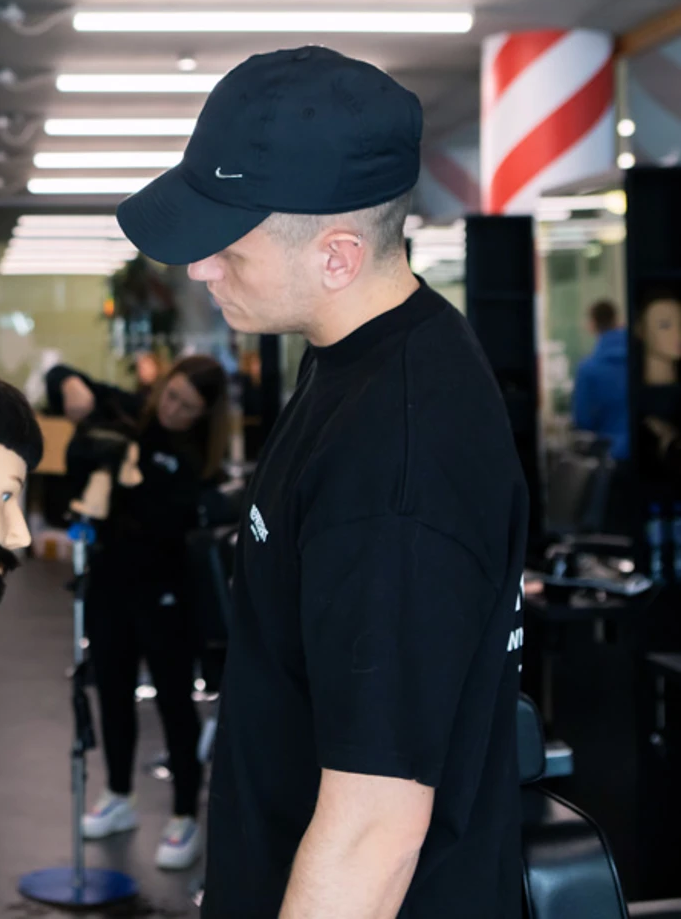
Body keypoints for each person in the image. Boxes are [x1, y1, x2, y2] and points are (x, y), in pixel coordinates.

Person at [118, 46, 527, 918]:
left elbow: (371, 833)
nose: (201, 267)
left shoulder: (401, 466)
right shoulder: (350, 362)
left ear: (337, 255)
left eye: (228, 245)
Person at [80, 355, 231, 870]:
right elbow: (71, 388)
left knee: (173, 703)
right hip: (109, 588)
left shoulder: (197, 466)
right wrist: (74, 387)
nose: (173, 410)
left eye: (187, 407)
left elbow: (167, 518)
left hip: (167, 598)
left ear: (203, 416)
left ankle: (186, 814)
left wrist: (134, 482)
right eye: (171, 396)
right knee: (114, 694)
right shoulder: (129, 421)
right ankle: (119, 793)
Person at [572, 299, 629, 460]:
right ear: (616, 320)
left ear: (592, 324)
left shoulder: (588, 369)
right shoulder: (642, 361)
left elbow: (583, 421)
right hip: (648, 454)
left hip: (610, 454)